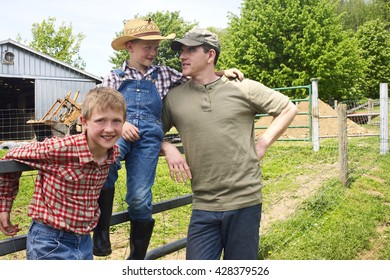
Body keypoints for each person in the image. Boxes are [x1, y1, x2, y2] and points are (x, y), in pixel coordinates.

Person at [94, 18, 243, 259]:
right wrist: (122, 124)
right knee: (106, 165)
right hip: (120, 131)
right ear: (130, 46)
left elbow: (197, 76)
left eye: (155, 47)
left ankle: (137, 259)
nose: (153, 53)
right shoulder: (114, 77)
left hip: (149, 139)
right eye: (147, 47)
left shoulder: (164, 74)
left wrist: (222, 72)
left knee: (140, 198)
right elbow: (99, 109)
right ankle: (101, 235)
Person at [160, 27, 298, 260]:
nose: (182, 56)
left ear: (210, 55)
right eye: (182, 51)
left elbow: (288, 108)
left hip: (244, 200)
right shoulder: (174, 98)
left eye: (191, 50)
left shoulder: (243, 87)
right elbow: (151, 132)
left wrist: (263, 143)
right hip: (203, 204)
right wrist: (167, 147)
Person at [0, 87, 126, 260]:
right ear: (84, 121)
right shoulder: (59, 149)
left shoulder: (113, 152)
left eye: (116, 121)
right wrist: (4, 208)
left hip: (84, 240)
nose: (109, 129)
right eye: (101, 121)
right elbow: (10, 157)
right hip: (50, 241)